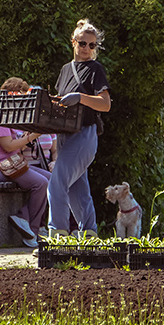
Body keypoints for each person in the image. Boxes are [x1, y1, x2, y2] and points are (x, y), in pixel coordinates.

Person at [46, 19, 111, 237]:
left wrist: (80, 98)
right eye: (83, 44)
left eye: (92, 46)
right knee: (77, 187)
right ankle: (90, 233)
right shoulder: (65, 70)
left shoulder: (95, 69)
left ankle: (58, 232)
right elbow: (58, 106)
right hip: (64, 134)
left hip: (84, 134)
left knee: (57, 182)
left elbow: (105, 104)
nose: (87, 49)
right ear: (73, 42)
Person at [0, 77, 50, 248]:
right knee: (41, 183)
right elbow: (8, 146)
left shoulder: (7, 115)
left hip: (12, 165)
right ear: (13, 95)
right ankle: (31, 229)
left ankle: (25, 219)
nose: (25, 103)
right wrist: (35, 134)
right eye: (23, 98)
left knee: (53, 180)